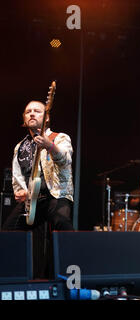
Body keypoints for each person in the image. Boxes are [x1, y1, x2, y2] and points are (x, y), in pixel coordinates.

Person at [3, 101, 74, 277]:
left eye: (37, 111)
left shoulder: (59, 138)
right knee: (8, 234)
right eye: (28, 112)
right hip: (31, 200)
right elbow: (17, 175)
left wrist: (50, 146)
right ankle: (12, 278)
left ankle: (73, 277)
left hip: (55, 194)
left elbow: (65, 159)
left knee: (63, 226)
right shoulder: (20, 147)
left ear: (47, 117)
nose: (32, 114)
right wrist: (19, 191)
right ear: (24, 118)